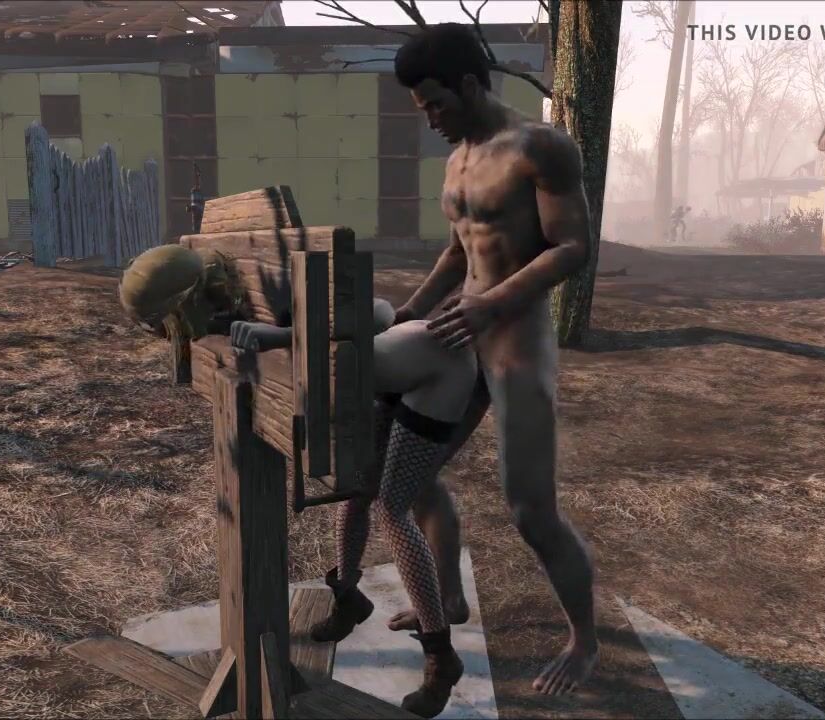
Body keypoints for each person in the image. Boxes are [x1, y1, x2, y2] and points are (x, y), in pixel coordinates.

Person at [119, 245, 476, 718]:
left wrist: (282, 334)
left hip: (439, 373)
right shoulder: (247, 300)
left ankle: (441, 657)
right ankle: (348, 598)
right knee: (355, 492)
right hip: (393, 375)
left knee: (392, 507)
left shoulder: (288, 301)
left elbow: (379, 313)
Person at [384, 23, 600, 696]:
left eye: (437, 104)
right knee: (410, 476)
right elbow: (459, 250)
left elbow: (572, 247)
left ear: (472, 84)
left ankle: (584, 641)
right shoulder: (457, 161)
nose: (431, 119)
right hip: (459, 332)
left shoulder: (540, 146)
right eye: (422, 108)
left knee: (531, 510)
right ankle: (448, 599)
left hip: (514, 339)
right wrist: (412, 309)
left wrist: (491, 305)